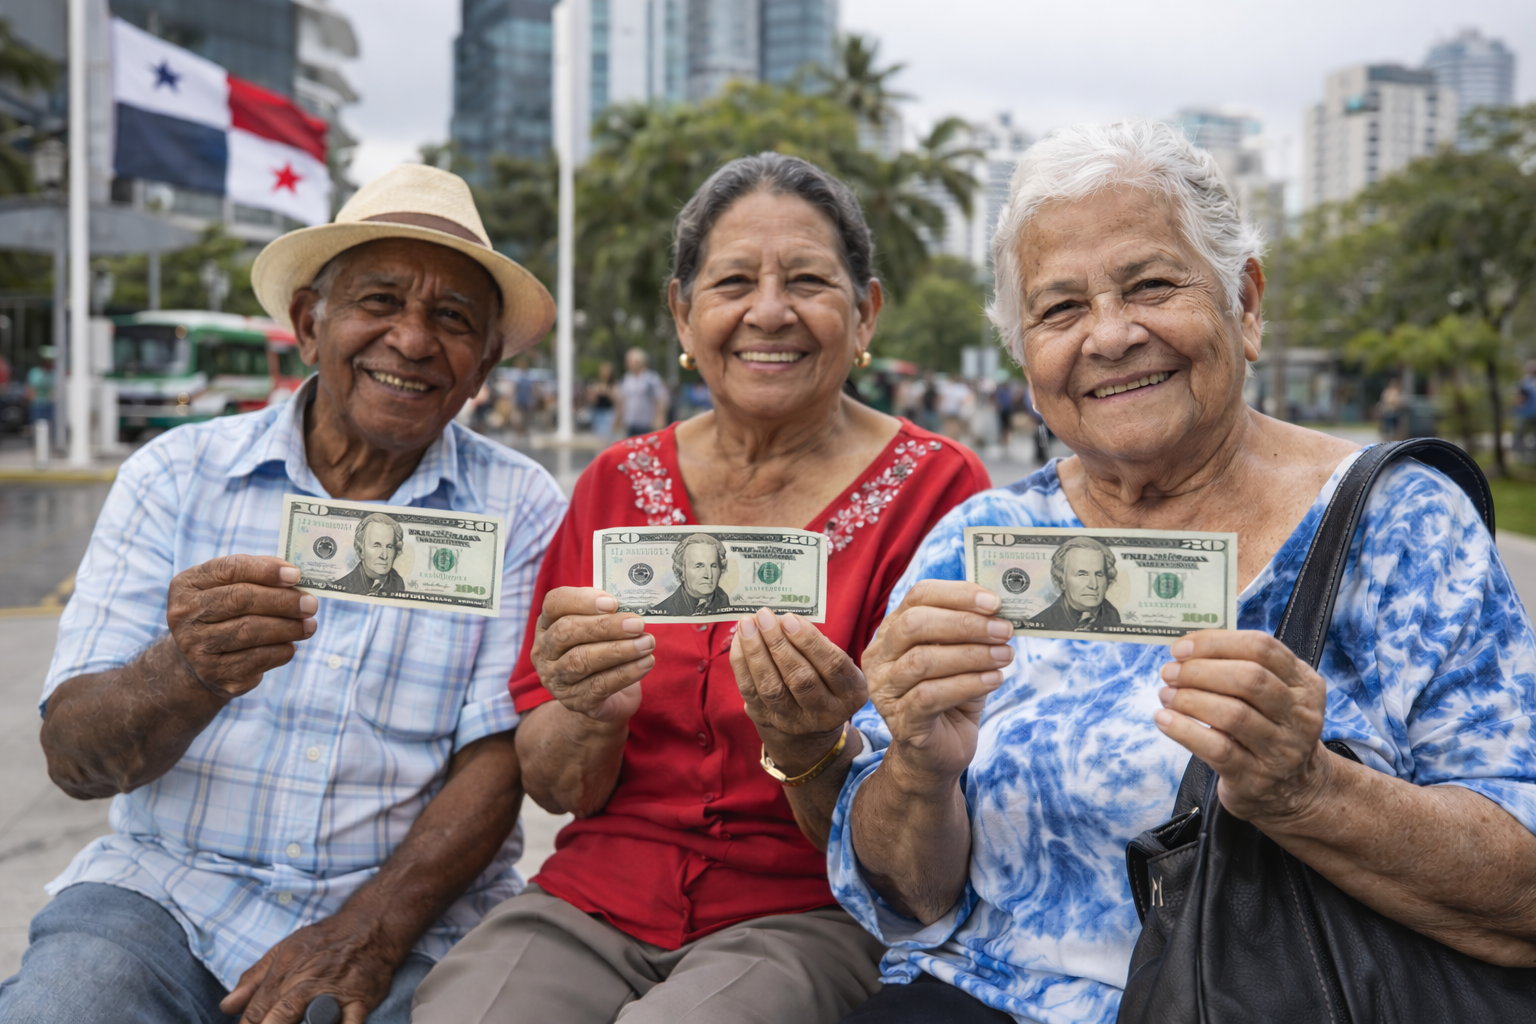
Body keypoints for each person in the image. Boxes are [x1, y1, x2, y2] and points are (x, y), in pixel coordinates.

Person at [824, 120, 1536, 1024]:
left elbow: (1524, 899)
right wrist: (920, 770)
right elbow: (905, 902)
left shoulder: (1403, 528)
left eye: (1152, 284)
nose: (1112, 335)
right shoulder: (980, 542)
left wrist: (1308, 790)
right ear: (1024, 355)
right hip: (984, 998)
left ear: (1244, 301)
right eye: (1060, 309)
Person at [411, 152, 990, 1024]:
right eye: (731, 283)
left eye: (807, 280)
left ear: (864, 311)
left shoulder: (938, 490)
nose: (768, 311)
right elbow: (556, 784)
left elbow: (925, 843)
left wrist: (812, 744)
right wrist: (585, 708)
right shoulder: (615, 481)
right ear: (683, 312)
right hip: (595, 899)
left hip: (807, 911)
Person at [0, 165, 566, 1024]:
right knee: (64, 1005)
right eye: (379, 302)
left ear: (483, 361)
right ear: (310, 322)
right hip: (166, 896)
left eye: (452, 319)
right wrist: (185, 671)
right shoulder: (175, 474)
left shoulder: (522, 506)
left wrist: (368, 932)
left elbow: (496, 759)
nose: (412, 341)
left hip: (408, 921)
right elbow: (74, 757)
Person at [1024, 535, 1121, 631]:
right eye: (1082, 574)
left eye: (1099, 574)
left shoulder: (1114, 616)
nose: (1093, 585)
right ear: (1062, 580)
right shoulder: (1040, 623)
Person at [648, 532, 731, 616]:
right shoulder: (662, 610)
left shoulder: (725, 601)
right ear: (681, 571)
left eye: (713, 566)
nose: (708, 575)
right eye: (699, 566)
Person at [329, 512, 408, 596]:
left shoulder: (398, 583)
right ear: (360, 549)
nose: (384, 556)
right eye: (376, 546)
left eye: (389, 546)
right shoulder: (341, 586)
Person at [618, 346, 669, 436]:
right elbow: (623, 399)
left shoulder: (652, 379)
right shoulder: (626, 378)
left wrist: (659, 419)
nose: (628, 363)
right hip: (630, 422)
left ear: (640, 362)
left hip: (646, 424)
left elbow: (661, 399)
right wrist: (619, 418)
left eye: (631, 360)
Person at [25, 346, 54, 433]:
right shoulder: (35, 372)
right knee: (37, 427)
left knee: (50, 427)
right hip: (37, 404)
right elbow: (30, 389)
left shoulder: (55, 373)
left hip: (51, 404)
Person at [589, 361, 618, 443]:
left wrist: (607, 392)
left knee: (607, 437)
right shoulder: (596, 383)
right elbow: (592, 400)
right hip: (598, 412)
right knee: (599, 437)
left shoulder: (613, 384)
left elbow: (616, 401)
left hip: (608, 413)